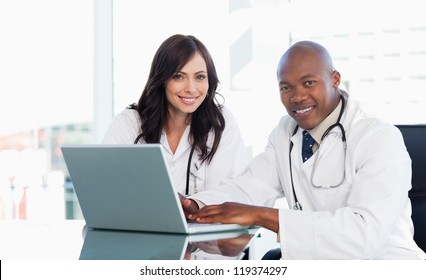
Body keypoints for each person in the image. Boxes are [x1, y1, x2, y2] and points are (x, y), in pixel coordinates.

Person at [183, 41, 426, 259]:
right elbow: (250, 185)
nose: (297, 97)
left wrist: (262, 216)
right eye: (285, 88)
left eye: (309, 83)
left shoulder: (379, 137)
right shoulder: (285, 133)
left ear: (335, 79)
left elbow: (363, 235)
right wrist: (195, 205)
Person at [102, 34, 248, 195]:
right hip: (138, 221)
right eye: (179, 76)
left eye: (200, 77)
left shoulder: (221, 122)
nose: (191, 88)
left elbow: (228, 194)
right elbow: (106, 188)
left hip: (203, 221)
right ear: (161, 79)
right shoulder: (129, 122)